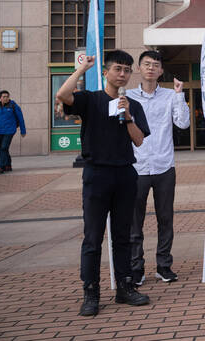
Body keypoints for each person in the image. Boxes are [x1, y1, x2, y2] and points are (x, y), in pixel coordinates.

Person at [56, 51, 151, 317]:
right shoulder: (91, 100)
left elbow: (139, 140)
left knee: (123, 236)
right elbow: (63, 96)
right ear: (106, 72)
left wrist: (128, 115)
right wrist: (81, 70)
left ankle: (125, 286)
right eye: (118, 69)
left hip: (125, 174)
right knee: (93, 237)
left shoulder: (131, 104)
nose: (123, 74)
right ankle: (91, 291)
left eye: (127, 70)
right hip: (97, 174)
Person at [127, 50, 190, 286]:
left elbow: (182, 123)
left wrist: (179, 95)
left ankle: (164, 266)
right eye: (146, 64)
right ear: (139, 69)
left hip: (164, 165)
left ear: (161, 70)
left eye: (156, 65)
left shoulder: (169, 95)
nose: (151, 68)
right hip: (136, 166)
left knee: (166, 219)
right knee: (135, 221)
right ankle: (136, 268)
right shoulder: (129, 97)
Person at [0, 90, 26, 173]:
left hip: (9, 131)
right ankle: (8, 165)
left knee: (3, 147)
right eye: (4, 97)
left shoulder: (13, 106)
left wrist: (23, 130)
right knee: (2, 149)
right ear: (0, 98)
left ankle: (0, 166)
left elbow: (20, 118)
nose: (6, 98)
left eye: (7, 96)